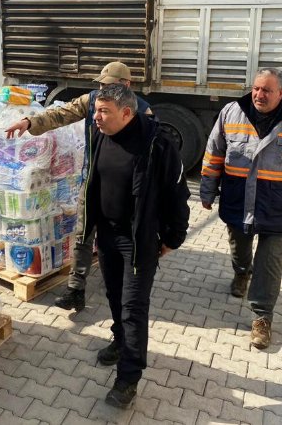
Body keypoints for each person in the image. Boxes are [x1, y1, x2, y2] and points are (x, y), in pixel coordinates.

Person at [4, 61, 152, 312]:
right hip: (92, 179)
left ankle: (124, 287)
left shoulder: (142, 111)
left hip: (124, 189)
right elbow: (60, 114)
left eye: (110, 85)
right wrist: (29, 122)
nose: (103, 90)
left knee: (122, 237)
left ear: (127, 85)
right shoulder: (91, 100)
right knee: (83, 234)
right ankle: (75, 289)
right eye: (101, 85)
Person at [79, 84, 188, 407]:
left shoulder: (158, 144)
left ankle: (128, 379)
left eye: (104, 111)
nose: (96, 117)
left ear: (127, 113)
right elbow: (93, 182)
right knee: (114, 296)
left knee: (133, 309)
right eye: (96, 110)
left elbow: (177, 194)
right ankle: (120, 341)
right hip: (107, 236)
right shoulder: (100, 135)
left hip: (138, 241)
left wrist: (173, 237)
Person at [200, 68, 282, 349]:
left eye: (267, 90)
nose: (259, 95)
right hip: (238, 200)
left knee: (269, 261)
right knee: (239, 247)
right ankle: (242, 272)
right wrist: (207, 190)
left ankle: (262, 316)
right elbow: (214, 154)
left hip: (278, 206)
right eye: (256, 88)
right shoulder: (231, 112)